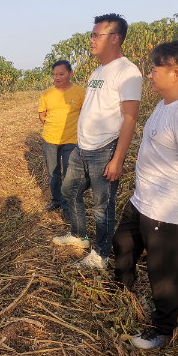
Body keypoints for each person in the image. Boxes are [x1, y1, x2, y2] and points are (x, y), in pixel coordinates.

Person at [113, 40, 178, 350]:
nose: (150, 74)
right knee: (123, 243)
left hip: (166, 210)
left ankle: (162, 329)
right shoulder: (164, 104)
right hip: (143, 200)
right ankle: (123, 292)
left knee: (164, 272)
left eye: (155, 69)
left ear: (175, 72)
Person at [53, 14, 143, 269]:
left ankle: (101, 255)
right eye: (92, 35)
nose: (90, 40)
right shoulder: (98, 70)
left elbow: (130, 118)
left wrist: (118, 159)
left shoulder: (128, 72)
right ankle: (79, 235)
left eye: (96, 35)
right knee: (70, 191)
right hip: (83, 149)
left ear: (114, 38)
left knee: (103, 206)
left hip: (105, 149)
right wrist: (79, 146)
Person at [38, 60, 85, 217]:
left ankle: (67, 205)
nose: (57, 77)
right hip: (50, 140)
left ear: (70, 74)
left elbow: (85, 113)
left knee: (69, 173)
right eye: (54, 74)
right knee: (53, 172)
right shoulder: (46, 94)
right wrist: (54, 126)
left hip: (71, 140)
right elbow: (42, 115)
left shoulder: (80, 92)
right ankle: (56, 201)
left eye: (61, 74)